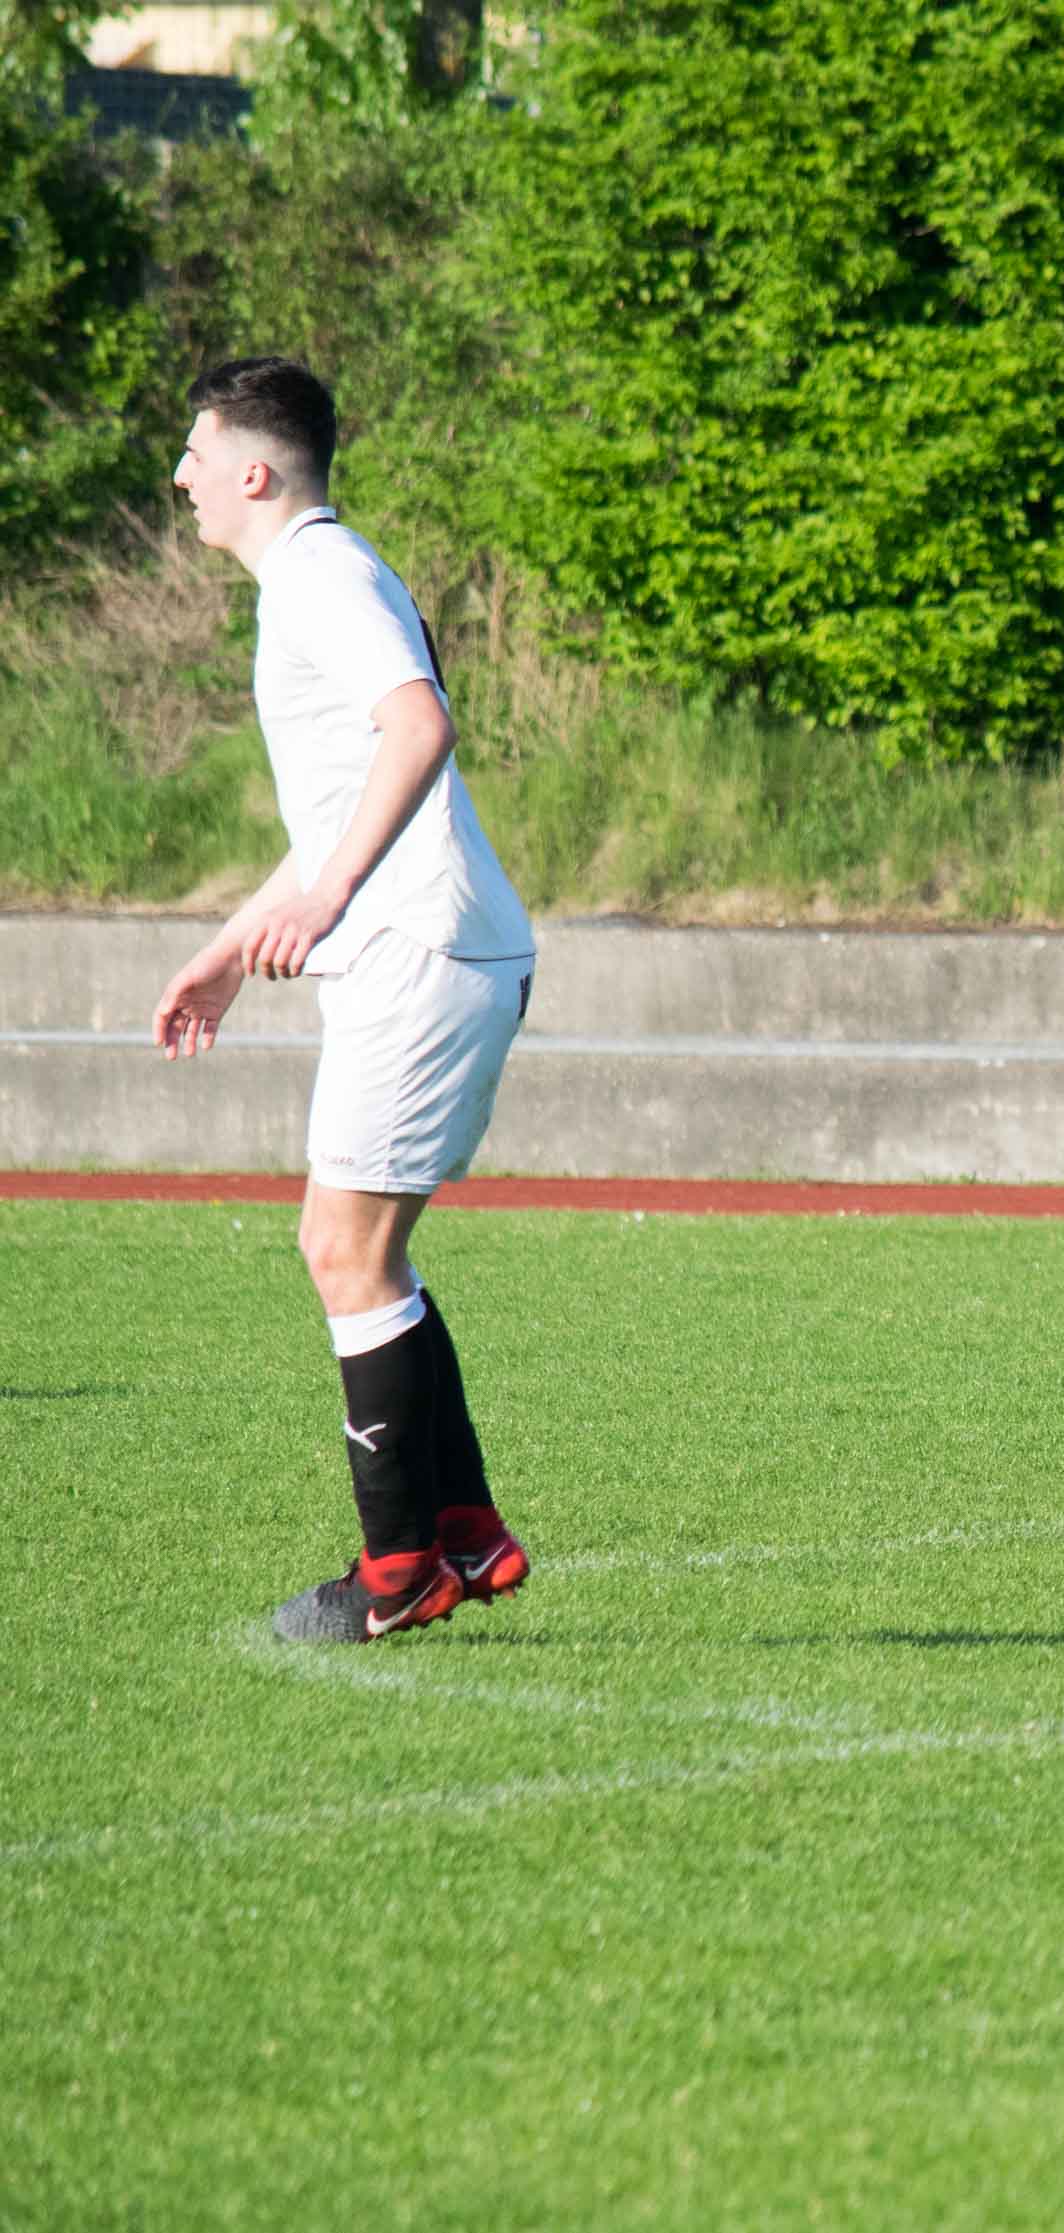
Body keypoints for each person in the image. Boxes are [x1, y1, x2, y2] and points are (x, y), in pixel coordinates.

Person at [148, 357, 538, 1640]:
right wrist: (237, 942)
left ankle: (398, 1574)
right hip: (427, 948)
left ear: (255, 471)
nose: (183, 475)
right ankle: (462, 1530)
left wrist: (327, 900)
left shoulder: (319, 576)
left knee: (342, 1249)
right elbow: (342, 804)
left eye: (198, 452)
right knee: (368, 1251)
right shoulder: (320, 575)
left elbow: (420, 727)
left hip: (419, 952)